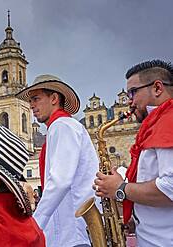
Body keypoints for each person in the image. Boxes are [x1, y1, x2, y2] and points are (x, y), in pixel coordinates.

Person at [93, 59, 173, 246]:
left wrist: (120, 189)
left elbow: (170, 186)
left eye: (133, 92)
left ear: (157, 88)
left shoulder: (167, 122)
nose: (130, 101)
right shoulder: (157, 123)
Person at [16, 75, 99, 246]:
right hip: (70, 227)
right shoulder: (62, 126)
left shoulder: (62, 126)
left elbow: (60, 181)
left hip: (72, 228)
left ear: (54, 98)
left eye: (36, 99)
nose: (31, 105)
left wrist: (36, 224)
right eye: (31, 100)